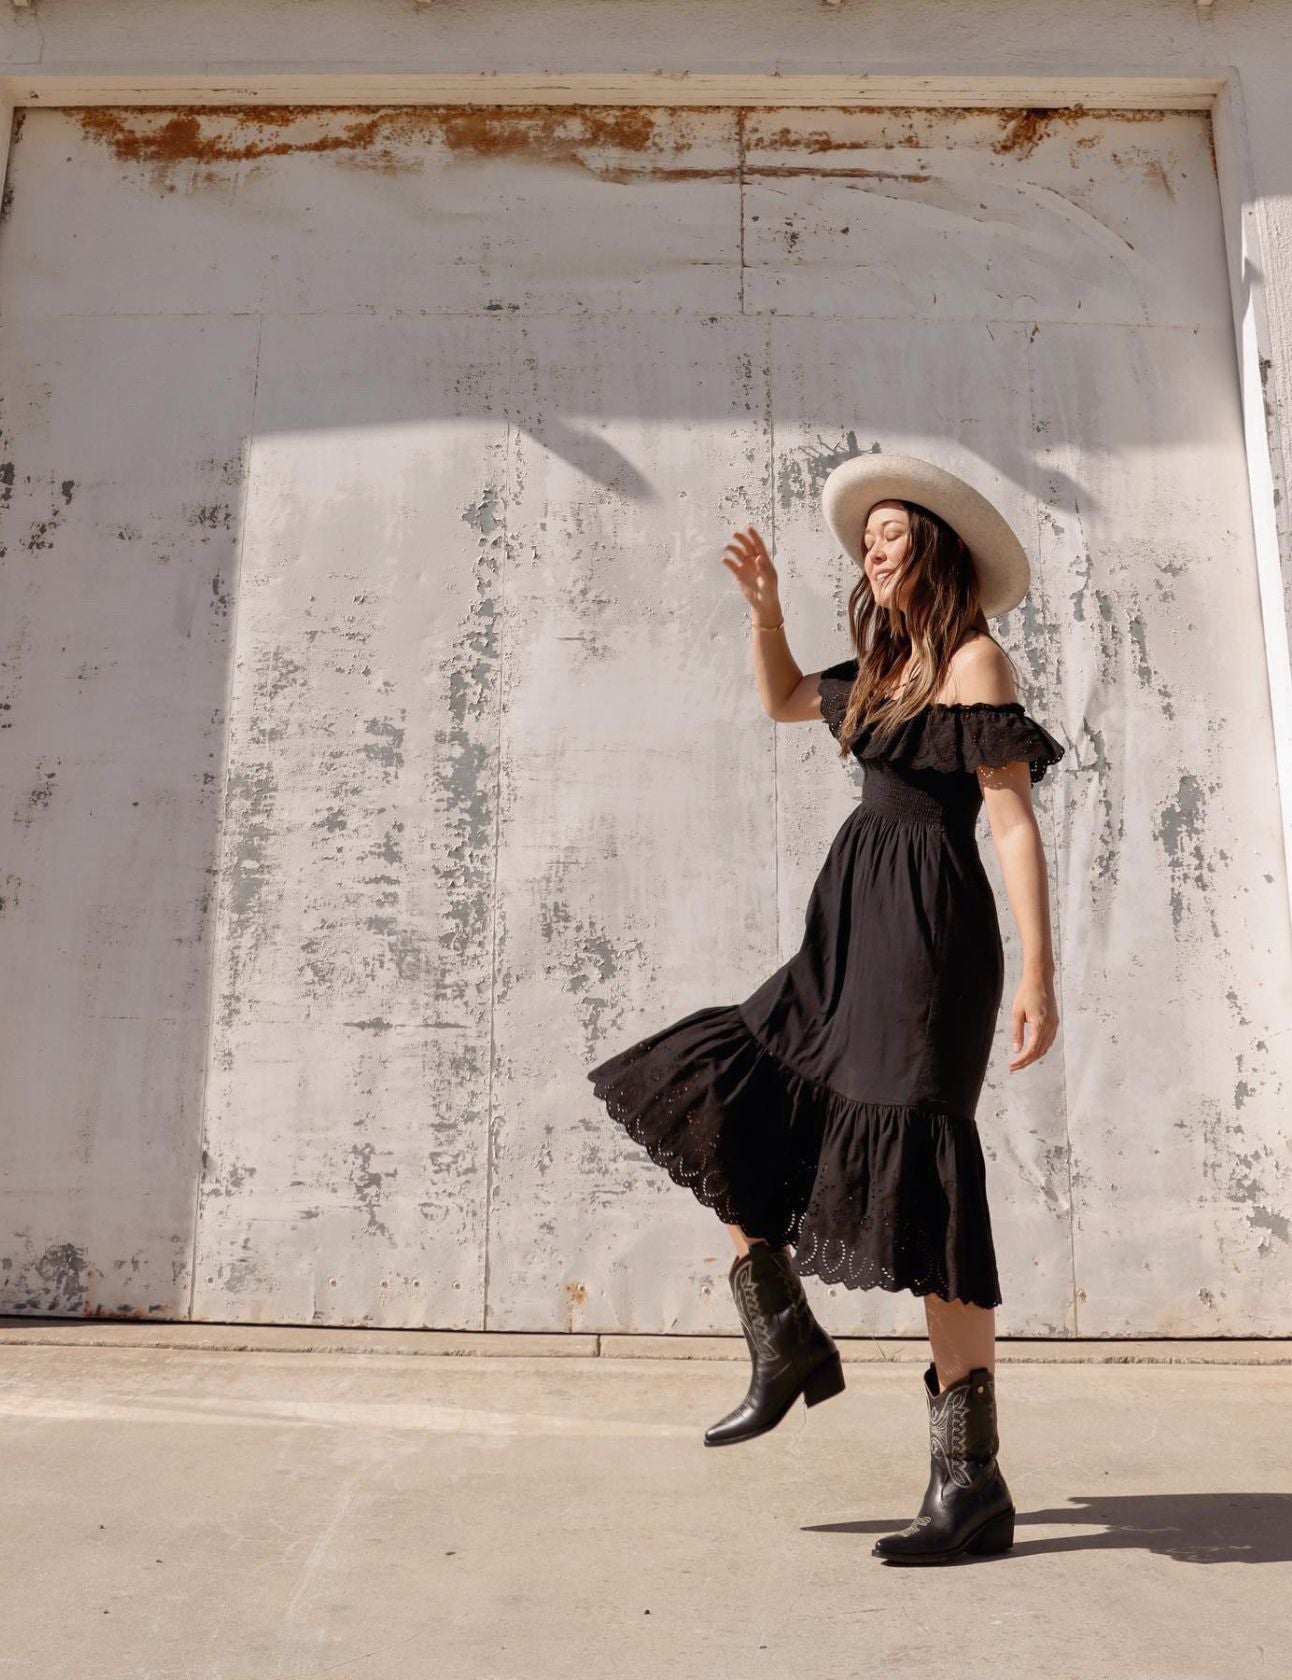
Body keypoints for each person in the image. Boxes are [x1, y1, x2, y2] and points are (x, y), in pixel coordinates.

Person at [587, 452, 1065, 1566]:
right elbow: (783, 698)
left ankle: (970, 1482)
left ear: (935, 548)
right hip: (845, 932)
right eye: (866, 538)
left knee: (926, 1182)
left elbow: (1010, 823)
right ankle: (785, 1336)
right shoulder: (884, 667)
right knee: (726, 1091)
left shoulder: (974, 662)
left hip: (930, 943)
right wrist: (765, 613)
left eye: (892, 532)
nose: (872, 549)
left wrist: (1038, 975)